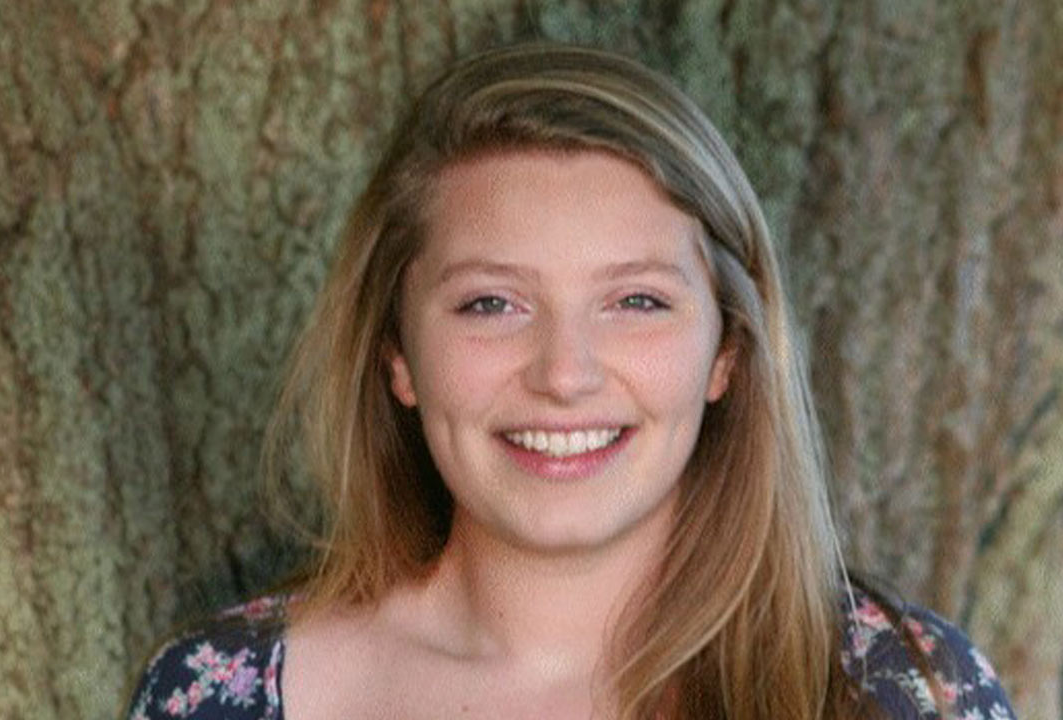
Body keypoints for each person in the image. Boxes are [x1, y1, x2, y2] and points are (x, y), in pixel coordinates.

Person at [124, 43, 1016, 720]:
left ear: (727, 354)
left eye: (635, 300)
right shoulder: (216, 694)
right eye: (491, 304)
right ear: (396, 354)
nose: (564, 375)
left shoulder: (903, 691)